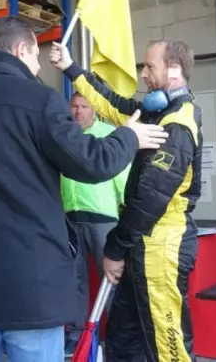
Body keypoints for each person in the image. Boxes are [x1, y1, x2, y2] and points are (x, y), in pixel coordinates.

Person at [0, 16, 169, 362]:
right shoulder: (40, 101)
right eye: (36, 56)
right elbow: (91, 163)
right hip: (31, 287)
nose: (37, 64)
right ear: (22, 49)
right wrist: (130, 136)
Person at [50, 38, 203, 362]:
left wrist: (115, 248)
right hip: (142, 245)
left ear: (173, 70)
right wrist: (70, 68)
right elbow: (110, 104)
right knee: (123, 336)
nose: (143, 74)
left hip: (161, 247)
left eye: (150, 67)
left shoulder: (177, 124)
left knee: (167, 344)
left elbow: (151, 197)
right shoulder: (157, 112)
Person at [61, 93, 130, 355]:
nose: (78, 111)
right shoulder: (65, 135)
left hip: (104, 218)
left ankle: (116, 336)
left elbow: (121, 173)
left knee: (110, 280)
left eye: (83, 107)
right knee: (75, 280)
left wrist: (127, 212)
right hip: (71, 218)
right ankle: (78, 334)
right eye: (74, 106)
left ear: (94, 110)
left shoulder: (109, 134)